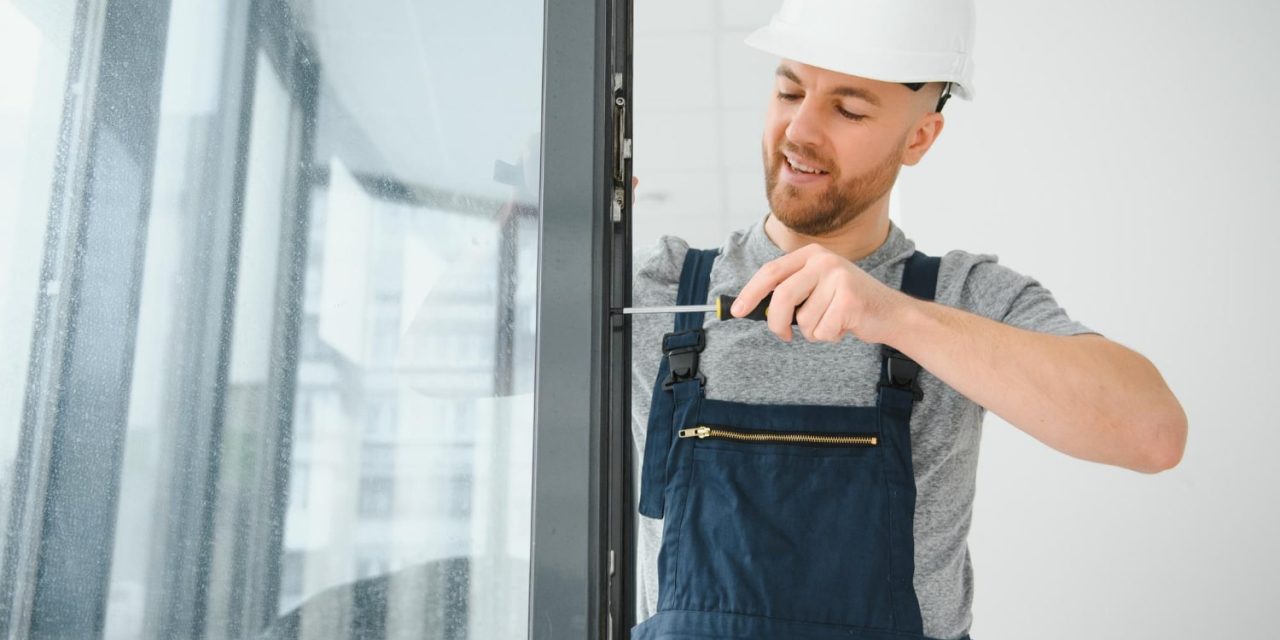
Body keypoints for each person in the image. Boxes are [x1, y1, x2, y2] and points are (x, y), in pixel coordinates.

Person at [628, 1, 1188, 639]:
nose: (798, 131)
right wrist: (536, 248)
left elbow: (1153, 434)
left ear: (918, 137)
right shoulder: (666, 287)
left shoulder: (964, 296)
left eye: (849, 109)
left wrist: (893, 315)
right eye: (788, 90)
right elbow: (501, 372)